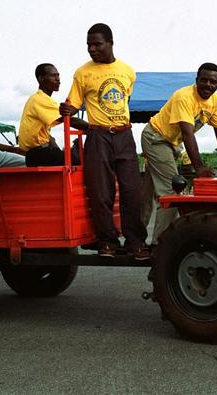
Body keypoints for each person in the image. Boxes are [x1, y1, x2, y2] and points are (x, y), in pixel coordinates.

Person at [60, 23, 149, 260]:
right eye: (89, 44)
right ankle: (107, 241)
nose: (92, 49)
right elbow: (74, 104)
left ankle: (136, 242)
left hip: (124, 135)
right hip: (98, 136)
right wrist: (66, 109)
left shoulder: (128, 71)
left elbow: (124, 98)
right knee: (101, 192)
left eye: (97, 44)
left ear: (110, 42)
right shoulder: (82, 73)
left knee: (132, 190)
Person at [141, 62, 217, 245]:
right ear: (196, 81)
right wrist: (199, 167)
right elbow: (187, 134)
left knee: (147, 193)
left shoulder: (216, 100)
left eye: (213, 82)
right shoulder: (184, 96)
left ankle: (135, 238)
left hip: (172, 144)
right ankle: (160, 244)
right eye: (204, 80)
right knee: (173, 189)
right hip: (156, 138)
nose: (208, 85)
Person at [19, 64, 88, 167]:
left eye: (58, 75)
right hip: (40, 155)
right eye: (53, 76)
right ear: (41, 79)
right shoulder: (40, 99)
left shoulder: (40, 99)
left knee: (76, 158)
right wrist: (96, 128)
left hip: (38, 153)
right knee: (84, 163)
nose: (58, 79)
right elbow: (68, 119)